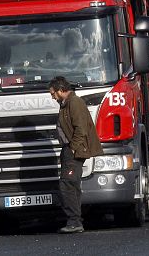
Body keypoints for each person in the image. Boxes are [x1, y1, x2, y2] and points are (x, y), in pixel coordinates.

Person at [49, 76, 103, 234]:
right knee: (70, 184)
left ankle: (74, 221)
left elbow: (81, 129)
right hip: (68, 149)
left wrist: (72, 148)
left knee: (67, 185)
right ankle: (75, 220)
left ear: (61, 90)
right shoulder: (65, 104)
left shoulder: (74, 103)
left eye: (53, 93)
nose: (52, 96)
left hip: (74, 150)